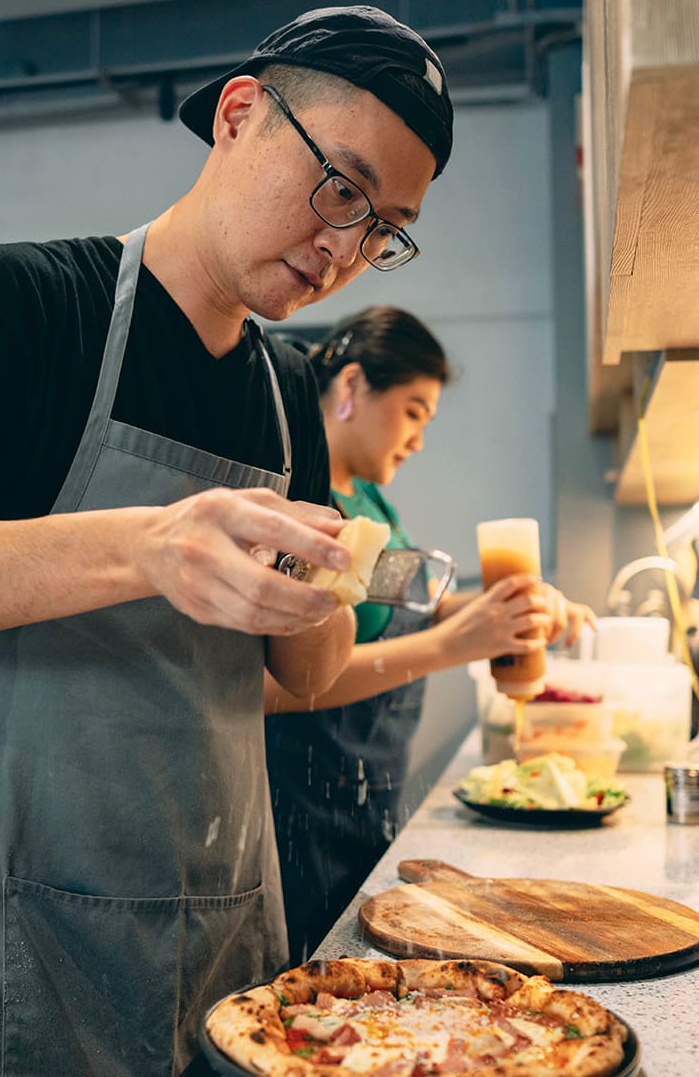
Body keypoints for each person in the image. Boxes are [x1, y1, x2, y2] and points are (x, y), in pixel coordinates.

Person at [0, 7, 456, 1075]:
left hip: (216, 961)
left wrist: (327, 581)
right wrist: (150, 547)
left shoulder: (292, 400)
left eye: (385, 227)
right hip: (1, 955)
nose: (346, 247)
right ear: (240, 115)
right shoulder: (15, 306)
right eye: (340, 187)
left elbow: (307, 673)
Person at [262, 306, 595, 962]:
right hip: (299, 799)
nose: (418, 439)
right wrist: (455, 648)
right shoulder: (303, 506)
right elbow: (275, 688)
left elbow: (424, 603)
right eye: (413, 411)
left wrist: (513, 611)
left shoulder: (371, 503)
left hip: (362, 790)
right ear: (352, 387)